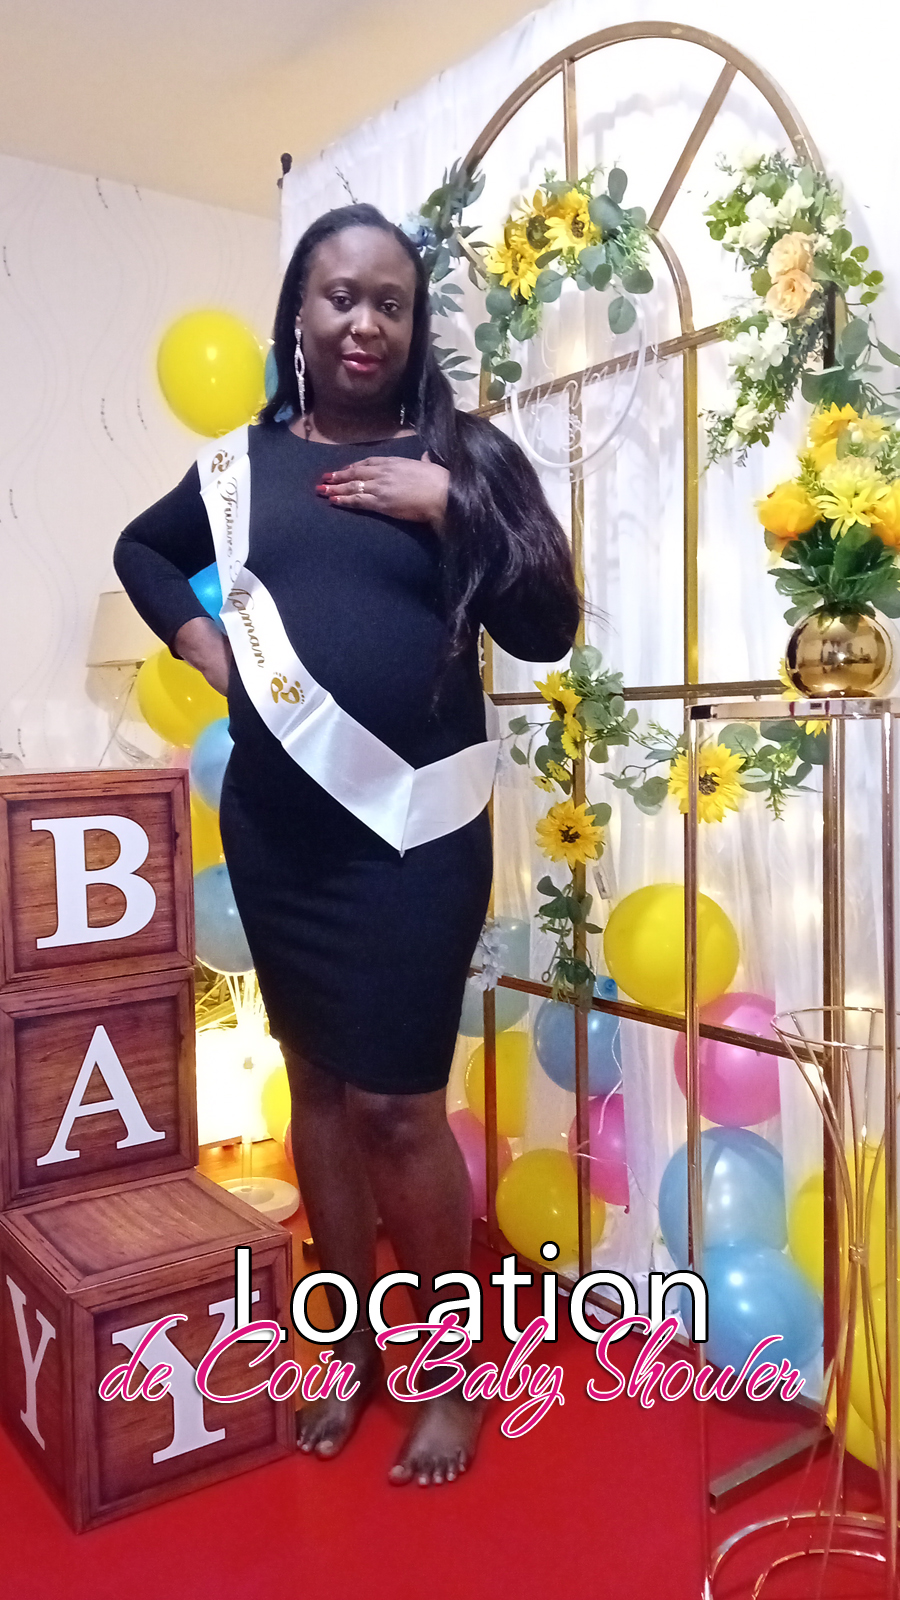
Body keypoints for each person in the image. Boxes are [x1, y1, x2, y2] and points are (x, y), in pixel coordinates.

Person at [115, 202, 579, 1486]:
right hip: (283, 835)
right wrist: (205, 647)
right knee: (315, 1085)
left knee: (397, 1105)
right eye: (339, 297)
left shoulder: (466, 454)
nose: (365, 322)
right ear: (298, 316)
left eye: (391, 301)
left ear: (415, 324)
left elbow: (548, 626)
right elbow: (144, 552)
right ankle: (352, 1342)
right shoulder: (238, 470)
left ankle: (453, 1370)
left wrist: (451, 506)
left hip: (413, 836)